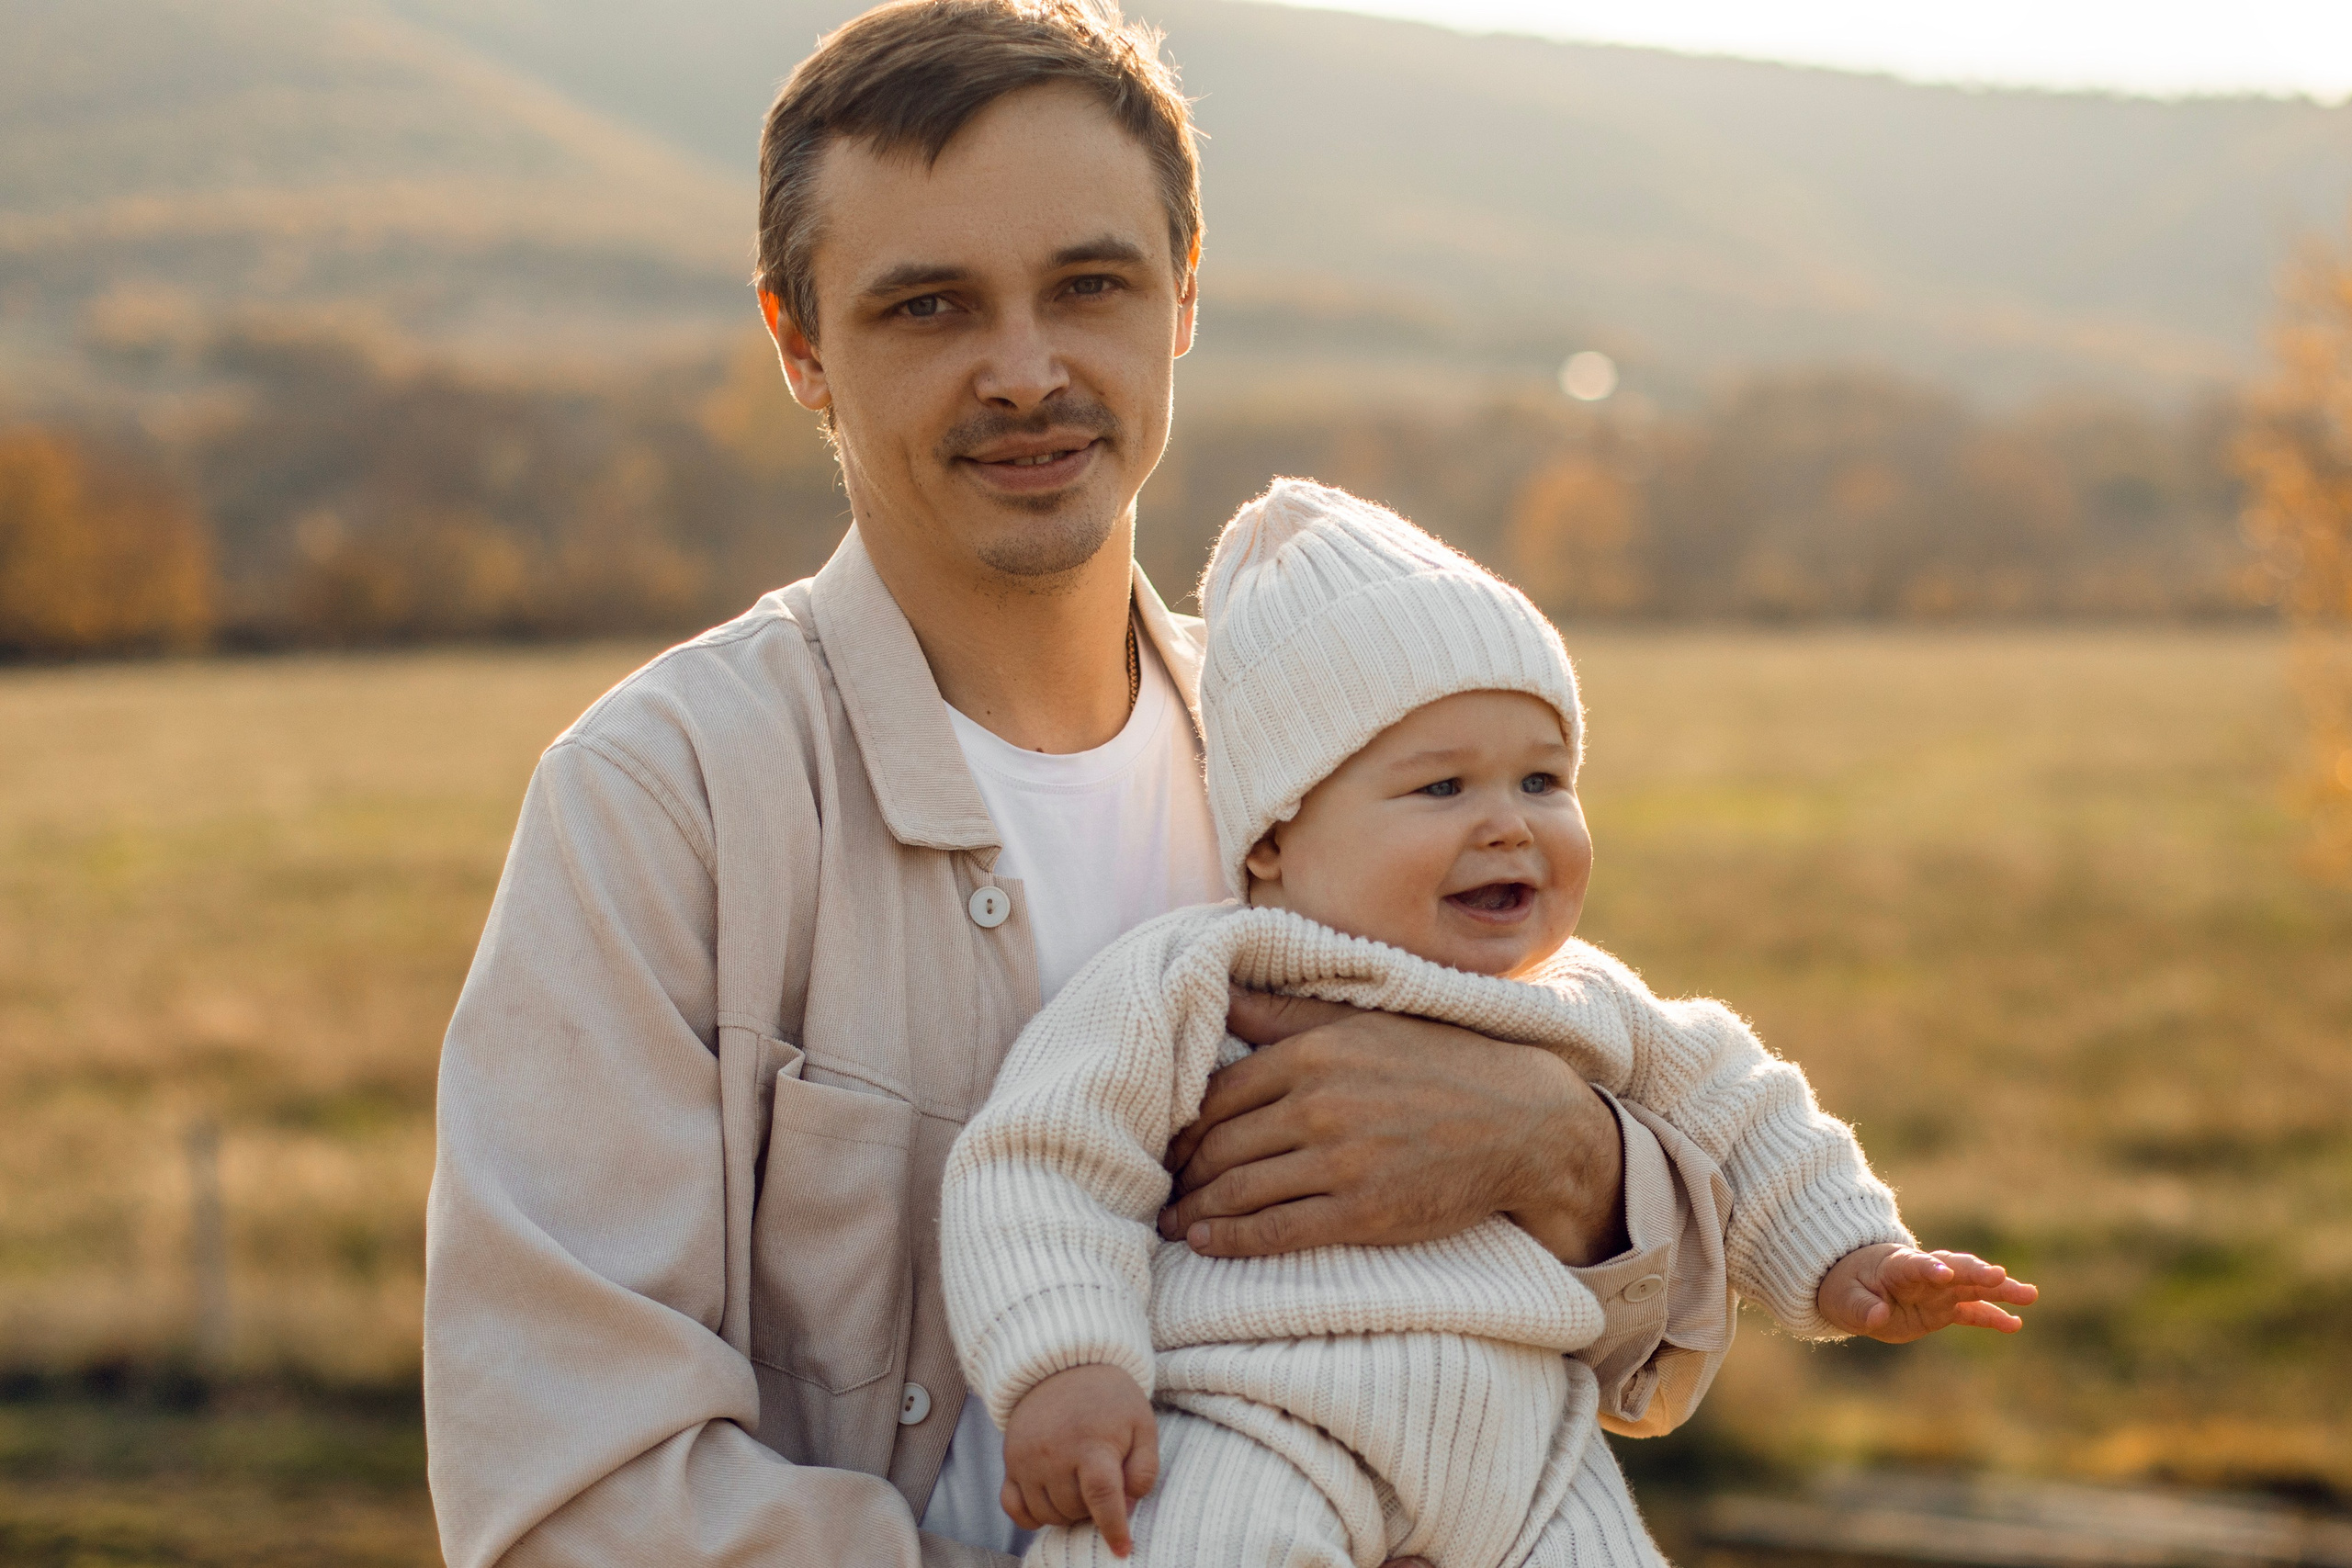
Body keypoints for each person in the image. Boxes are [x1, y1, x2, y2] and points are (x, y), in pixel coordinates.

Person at [425, 6, 1753, 1565]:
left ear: (1183, 296)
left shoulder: (1349, 759)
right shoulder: (666, 802)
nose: (1027, 369)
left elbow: (1630, 1311)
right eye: (929, 307)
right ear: (801, 348)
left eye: (1090, 285)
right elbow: (570, 1491)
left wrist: (1562, 1155)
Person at [940, 479, 2039, 1568]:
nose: (1508, 826)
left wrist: (1852, 1257)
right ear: (1273, 836)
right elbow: (1046, 1160)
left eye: (1542, 780)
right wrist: (1070, 1367)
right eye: (1441, 790)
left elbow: (1744, 1114)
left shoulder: (1582, 999)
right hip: (1258, 1422)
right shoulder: (1196, 977)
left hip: (1529, 1455)